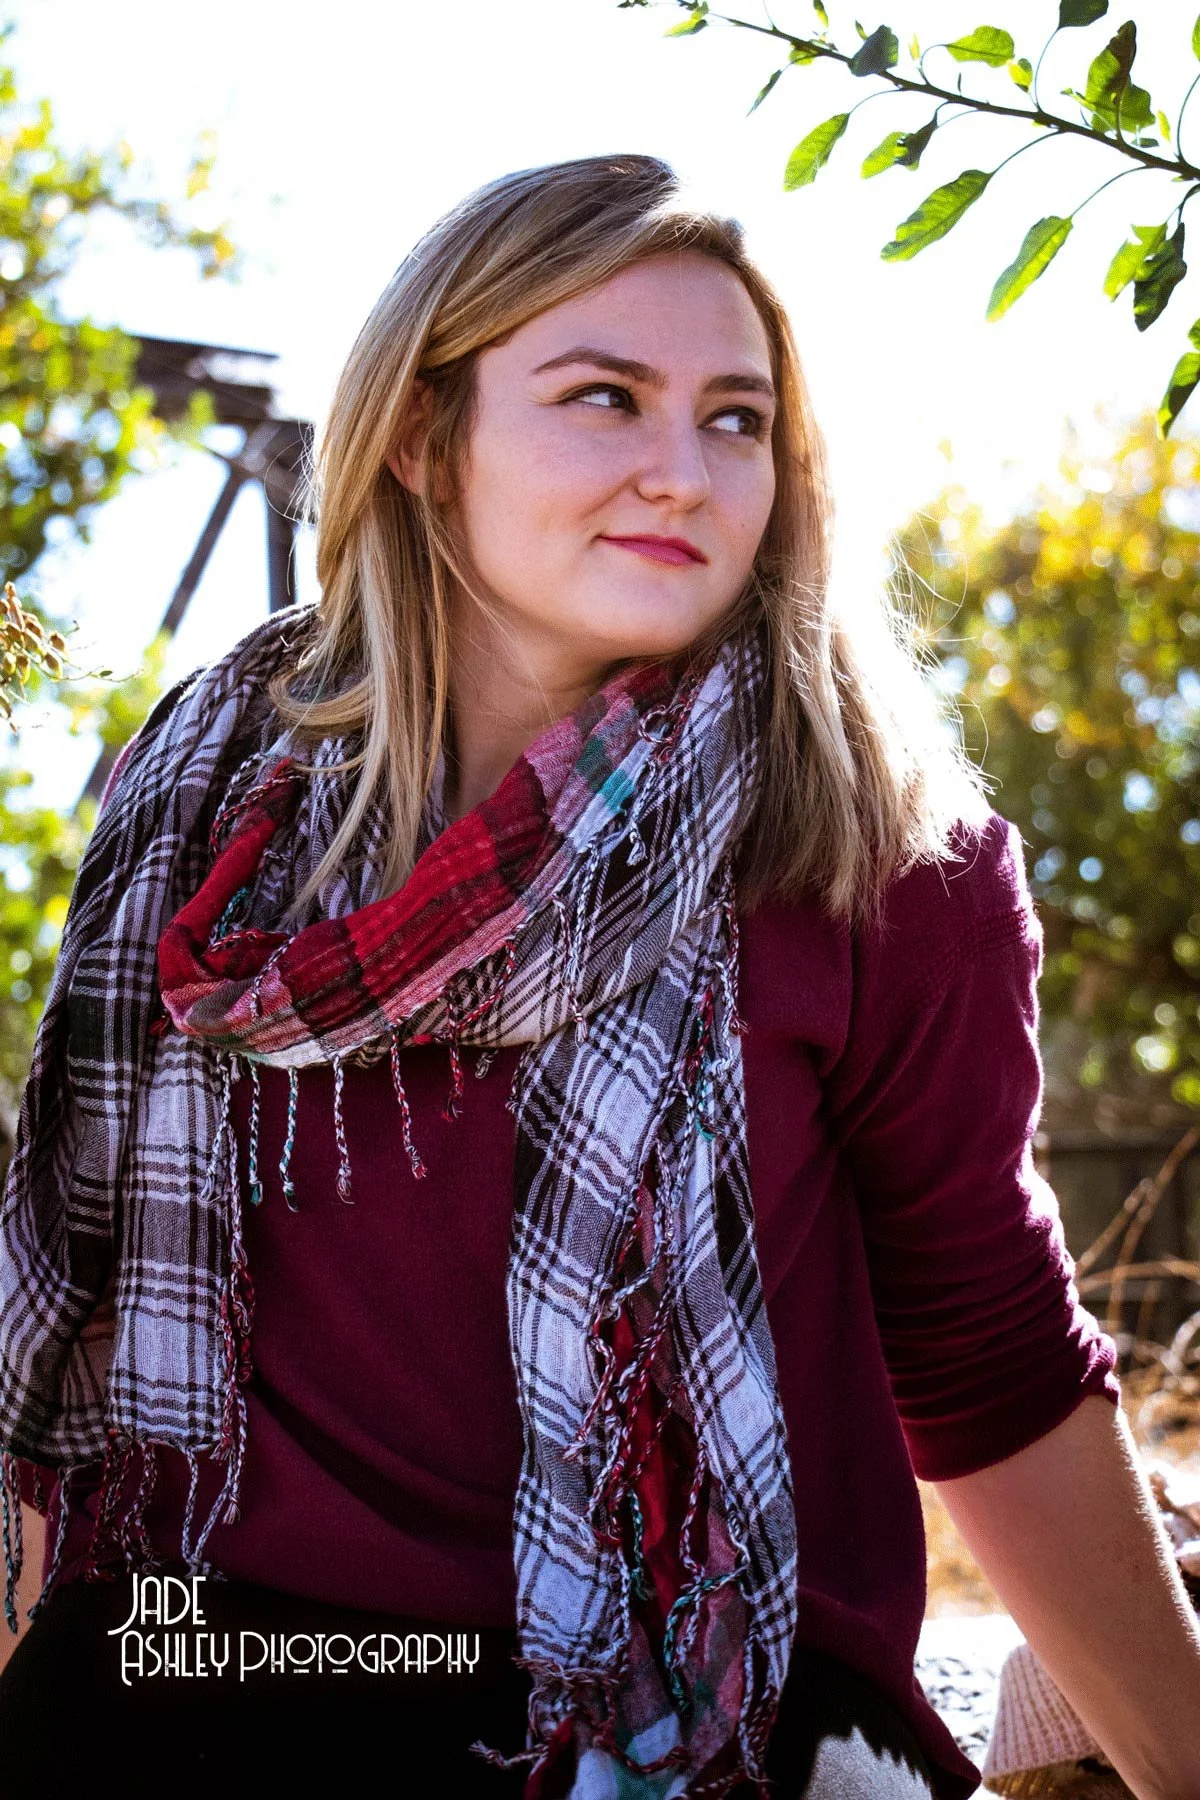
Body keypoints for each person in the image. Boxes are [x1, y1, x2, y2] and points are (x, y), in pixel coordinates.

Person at [0, 152, 1198, 1800]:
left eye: (734, 418)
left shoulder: (873, 856)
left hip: (680, 1705)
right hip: (215, 1661)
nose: (684, 472)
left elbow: (987, 1347)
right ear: (424, 442)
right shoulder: (204, 805)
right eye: (604, 398)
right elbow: (64, 1303)